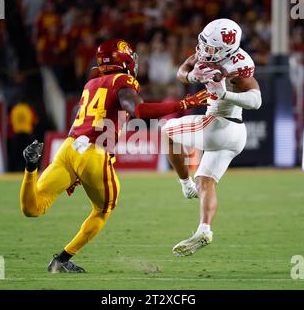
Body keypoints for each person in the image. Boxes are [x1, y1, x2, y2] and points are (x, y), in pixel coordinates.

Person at [19, 38, 210, 273]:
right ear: (125, 59)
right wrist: (183, 103)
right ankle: (61, 261)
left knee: (33, 208)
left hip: (69, 147)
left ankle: (30, 168)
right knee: (103, 209)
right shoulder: (123, 79)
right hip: (94, 152)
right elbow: (138, 110)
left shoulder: (91, 83)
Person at [163, 19, 262, 257]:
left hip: (221, 125)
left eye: (213, 48)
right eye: (206, 45)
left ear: (228, 49)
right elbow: (181, 71)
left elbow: (256, 100)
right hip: (233, 135)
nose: (206, 51)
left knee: (167, 129)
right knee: (206, 182)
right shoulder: (206, 51)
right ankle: (204, 229)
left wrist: (226, 94)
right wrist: (192, 78)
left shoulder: (239, 65)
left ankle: (185, 185)